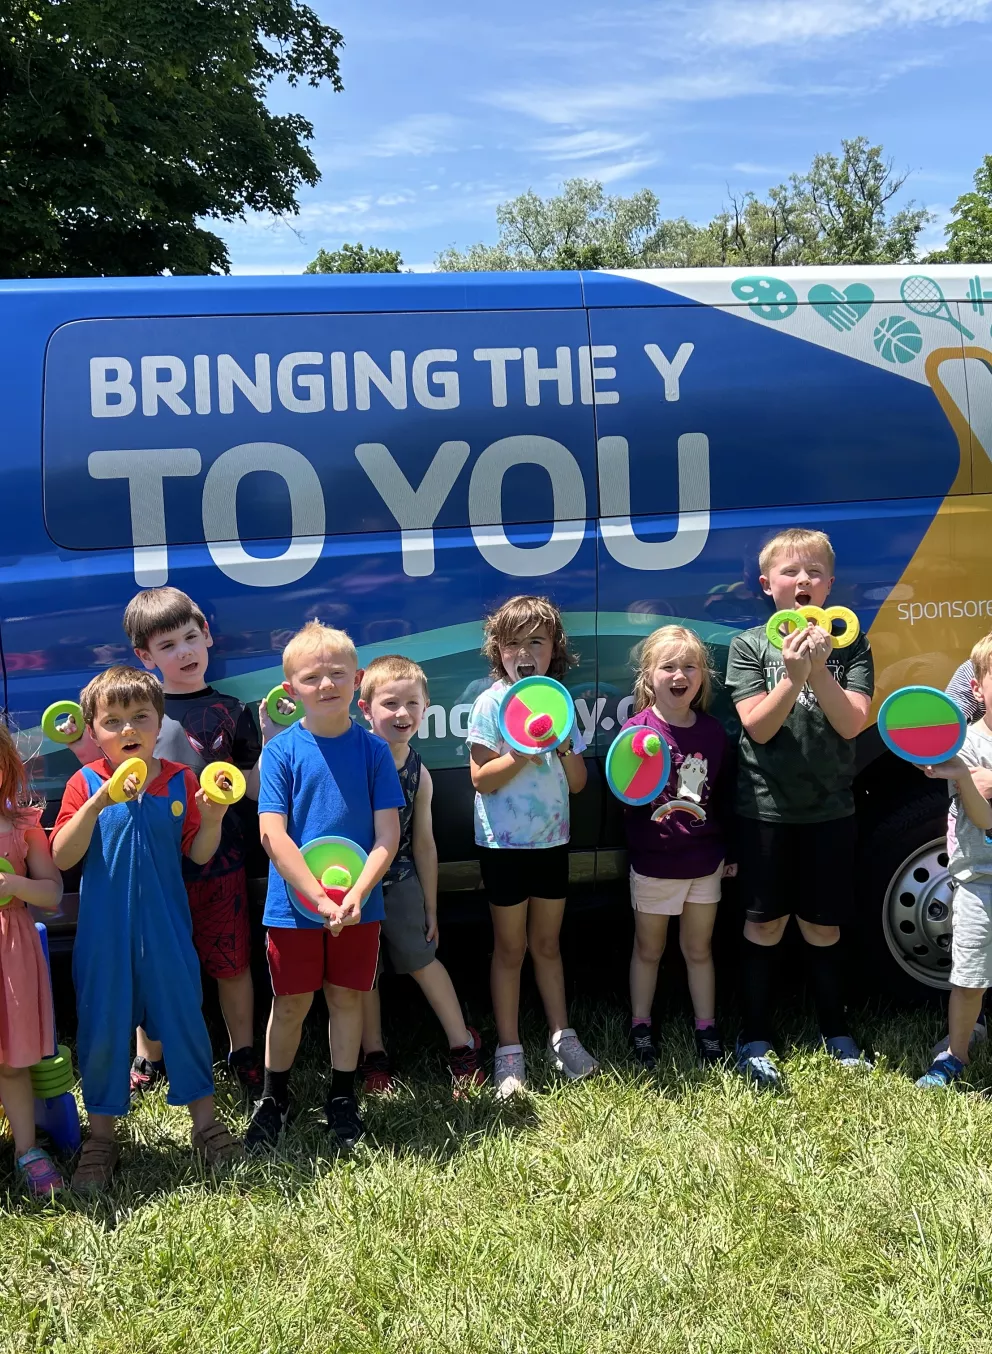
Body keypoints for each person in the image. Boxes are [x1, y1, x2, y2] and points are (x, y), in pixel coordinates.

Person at [52, 667, 242, 1189]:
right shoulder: (84, 782)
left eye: (140, 717)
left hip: (167, 934)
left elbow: (199, 856)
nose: (127, 729)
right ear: (93, 732)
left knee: (184, 1019)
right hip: (103, 941)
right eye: (112, 721)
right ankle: (102, 1138)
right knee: (102, 1030)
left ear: (160, 724)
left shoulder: (180, 780)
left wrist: (214, 817)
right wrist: (97, 803)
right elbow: (63, 853)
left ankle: (205, 1125)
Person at [724, 528, 874, 1089]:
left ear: (831, 585)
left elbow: (851, 722)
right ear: (767, 586)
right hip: (764, 809)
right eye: (791, 572)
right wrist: (792, 676)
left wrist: (822, 670)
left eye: (814, 572)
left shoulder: (852, 644)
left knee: (823, 925)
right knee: (763, 924)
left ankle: (835, 1030)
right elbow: (758, 729)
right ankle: (755, 1037)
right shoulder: (748, 647)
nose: (803, 580)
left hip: (830, 809)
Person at [247, 622, 403, 1153]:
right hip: (292, 907)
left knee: (346, 998)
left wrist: (358, 892)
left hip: (360, 904)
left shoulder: (375, 752)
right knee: (290, 1003)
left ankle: (341, 1096)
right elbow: (272, 832)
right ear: (290, 691)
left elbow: (388, 833)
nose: (327, 684)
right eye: (312, 677)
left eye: (338, 673)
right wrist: (315, 897)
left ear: (357, 680)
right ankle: (274, 1096)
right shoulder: (282, 753)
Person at [121, 587, 266, 1099]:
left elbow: (255, 781)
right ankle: (148, 1055)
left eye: (190, 637)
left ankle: (243, 1052)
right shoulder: (138, 717)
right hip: (157, 868)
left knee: (232, 963)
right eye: (167, 645)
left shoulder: (232, 709)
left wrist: (258, 752)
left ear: (207, 636)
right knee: (155, 964)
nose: (184, 652)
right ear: (146, 657)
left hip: (222, 863)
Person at [467, 594, 595, 1098]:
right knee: (511, 948)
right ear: (498, 650)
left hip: (552, 842)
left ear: (553, 651)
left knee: (547, 945)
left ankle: (562, 1037)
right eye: (513, 643)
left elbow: (580, 781)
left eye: (536, 643)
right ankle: (509, 1049)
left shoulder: (559, 701)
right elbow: (482, 780)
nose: (524, 653)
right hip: (504, 846)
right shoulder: (490, 703)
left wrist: (561, 744)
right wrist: (522, 748)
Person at [355, 656, 484, 1093]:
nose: (402, 713)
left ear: (427, 707)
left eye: (412, 702)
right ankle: (373, 1056)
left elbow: (424, 844)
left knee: (423, 962)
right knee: (364, 974)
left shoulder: (418, 773)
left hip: (401, 883)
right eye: (390, 703)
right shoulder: (353, 759)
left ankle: (463, 1044)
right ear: (365, 709)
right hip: (353, 888)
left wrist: (431, 905)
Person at [621, 626, 736, 1070]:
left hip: (704, 863)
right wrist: (638, 757)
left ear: (702, 677)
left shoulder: (712, 733)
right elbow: (624, 794)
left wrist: (731, 851)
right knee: (649, 949)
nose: (679, 674)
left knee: (699, 949)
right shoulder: (636, 730)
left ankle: (706, 1026)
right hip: (654, 863)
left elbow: (722, 796)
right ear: (649, 676)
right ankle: (641, 1024)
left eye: (689, 666)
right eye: (668, 666)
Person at [917, 634, 992, 1087]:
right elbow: (983, 816)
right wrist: (967, 775)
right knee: (969, 975)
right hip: (979, 879)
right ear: (977, 688)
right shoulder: (963, 745)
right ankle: (955, 1054)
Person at [0, 723, 66, 1196]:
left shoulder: (24, 825)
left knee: (12, 1061)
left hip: (12, 951)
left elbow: (53, 894)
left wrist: (16, 887)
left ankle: (27, 1148)